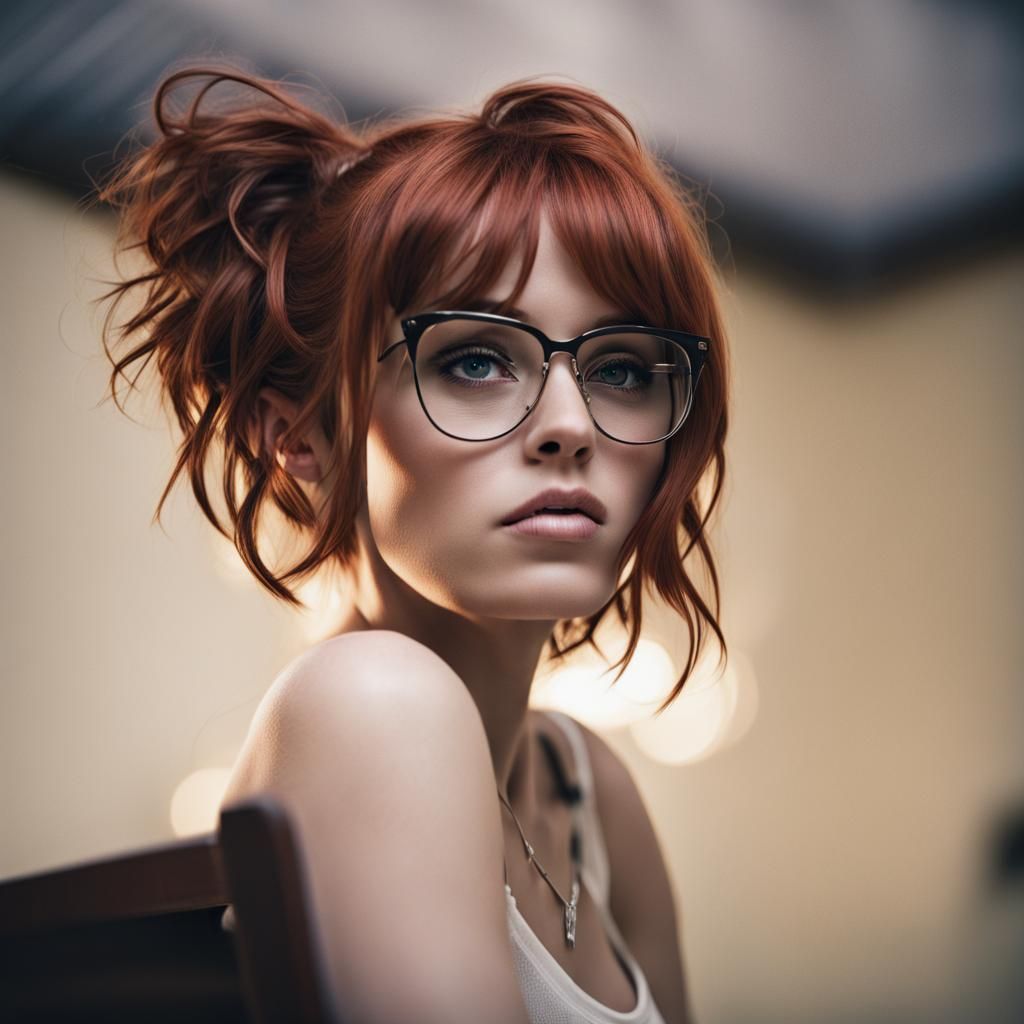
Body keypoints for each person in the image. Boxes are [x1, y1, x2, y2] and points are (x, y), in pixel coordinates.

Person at [95, 64, 729, 1024]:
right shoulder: (372, 702)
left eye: (623, 369)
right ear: (300, 435)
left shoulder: (587, 788)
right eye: (474, 358)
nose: (571, 426)